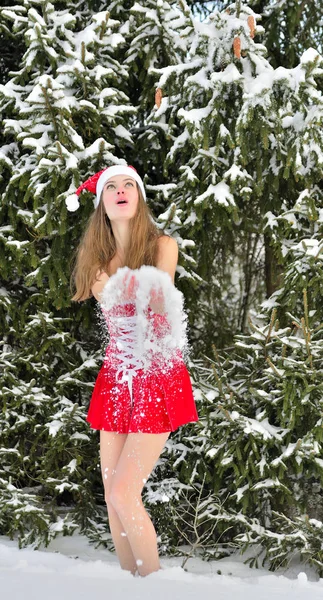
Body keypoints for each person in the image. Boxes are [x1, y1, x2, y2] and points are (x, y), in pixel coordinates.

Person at [67, 164, 199, 578]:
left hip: (157, 372)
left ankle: (153, 584)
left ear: (139, 197)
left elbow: (158, 312)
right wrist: (104, 292)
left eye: (129, 185)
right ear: (102, 205)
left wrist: (112, 290)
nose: (121, 191)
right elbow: (118, 325)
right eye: (111, 187)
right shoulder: (98, 262)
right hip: (119, 375)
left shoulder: (163, 246)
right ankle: (130, 586)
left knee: (126, 493)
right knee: (111, 496)